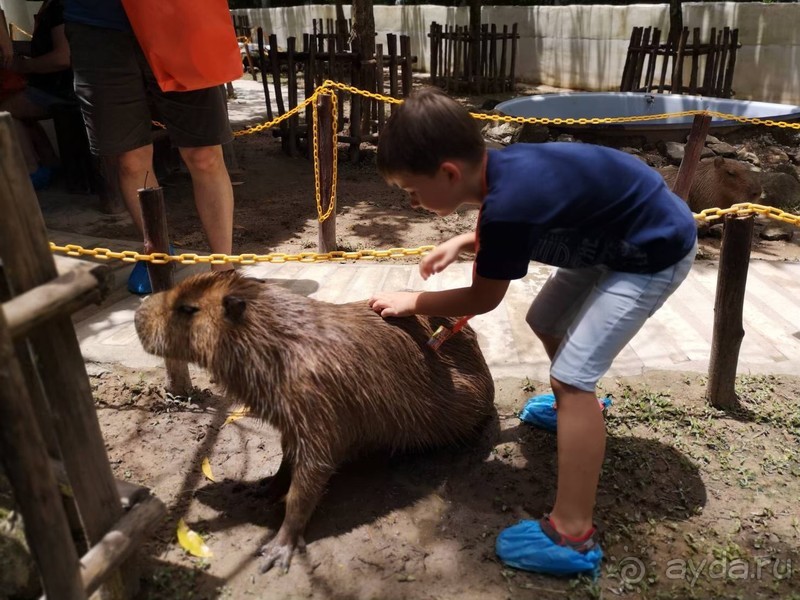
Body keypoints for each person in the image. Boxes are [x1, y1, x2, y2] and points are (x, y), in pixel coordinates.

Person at [367, 87, 697, 578]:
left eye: (412, 191)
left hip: (651, 252)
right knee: (544, 320)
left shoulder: (506, 206)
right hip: (612, 235)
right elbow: (526, 212)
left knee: (570, 380)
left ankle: (572, 534)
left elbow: (482, 299)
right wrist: (463, 240)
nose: (413, 202)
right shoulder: (500, 170)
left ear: (449, 174)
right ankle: (584, 411)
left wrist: (413, 302)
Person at [63, 0, 235, 294]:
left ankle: (225, 268)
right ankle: (156, 253)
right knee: (129, 158)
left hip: (179, 16)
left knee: (205, 155)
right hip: (97, 25)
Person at [0, 0, 73, 190]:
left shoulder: (59, 8)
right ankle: (50, 161)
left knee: (4, 111)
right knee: (17, 104)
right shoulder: (50, 6)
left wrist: (23, 66)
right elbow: (45, 47)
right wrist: (15, 48)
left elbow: (62, 58)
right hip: (56, 85)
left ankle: (32, 170)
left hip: (63, 89)